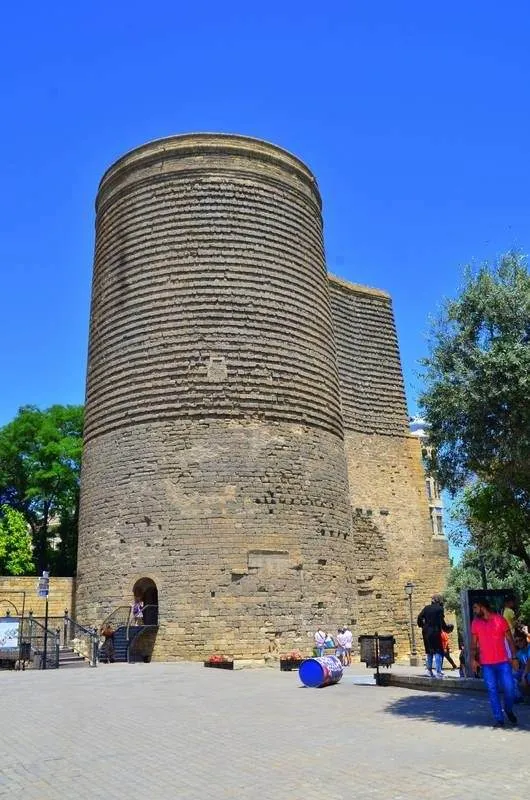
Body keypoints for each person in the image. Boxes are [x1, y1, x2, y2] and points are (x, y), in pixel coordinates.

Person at [471, 599, 518, 728]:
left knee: (510, 689)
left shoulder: (500, 620)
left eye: (475, 607)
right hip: (487, 664)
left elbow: (510, 640)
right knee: (492, 690)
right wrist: (473, 659)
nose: (474, 611)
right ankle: (499, 718)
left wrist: (514, 657)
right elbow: (474, 644)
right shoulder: (475, 623)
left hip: (503, 662)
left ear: (482, 606)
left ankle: (508, 709)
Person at [417, 594, 453, 678]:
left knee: (429, 651)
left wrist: (422, 625)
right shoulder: (440, 609)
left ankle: (429, 671)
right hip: (435, 631)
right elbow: (441, 621)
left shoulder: (426, 608)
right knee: (438, 651)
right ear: (439, 601)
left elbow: (419, 617)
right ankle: (438, 672)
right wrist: (446, 628)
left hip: (426, 631)